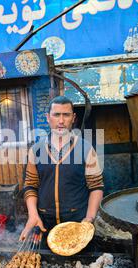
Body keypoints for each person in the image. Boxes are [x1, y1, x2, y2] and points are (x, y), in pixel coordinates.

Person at [20, 96, 104, 242]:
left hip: (77, 225)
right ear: (48, 117)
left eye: (66, 115)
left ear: (73, 118)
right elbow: (30, 185)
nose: (61, 121)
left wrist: (89, 219)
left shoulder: (85, 149)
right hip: (44, 225)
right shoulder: (36, 150)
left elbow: (96, 186)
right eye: (56, 114)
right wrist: (33, 215)